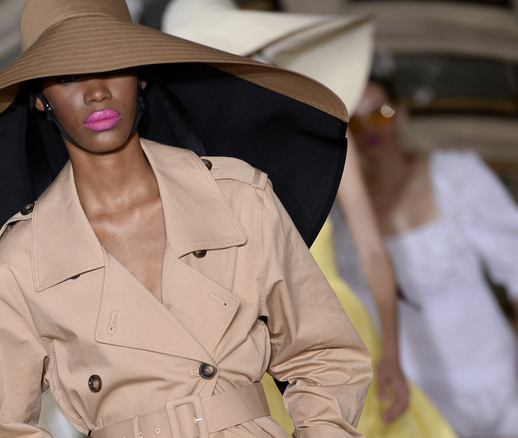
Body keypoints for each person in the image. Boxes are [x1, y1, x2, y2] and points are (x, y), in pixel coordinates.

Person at [0, 1, 372, 437]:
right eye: (67, 74)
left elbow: (323, 355)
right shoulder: (21, 260)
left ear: (142, 75)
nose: (96, 90)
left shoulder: (238, 198)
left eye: (113, 62)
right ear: (40, 99)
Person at [163, 1, 456, 436]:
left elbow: (374, 252)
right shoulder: (184, 159)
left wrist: (393, 354)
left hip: (331, 333)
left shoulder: (318, 127)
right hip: (248, 357)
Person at [334, 77, 518, 437]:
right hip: (414, 383)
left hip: (493, 369)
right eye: (356, 121)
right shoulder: (344, 216)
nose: (370, 128)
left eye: (380, 114)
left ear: (400, 115)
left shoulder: (455, 173)